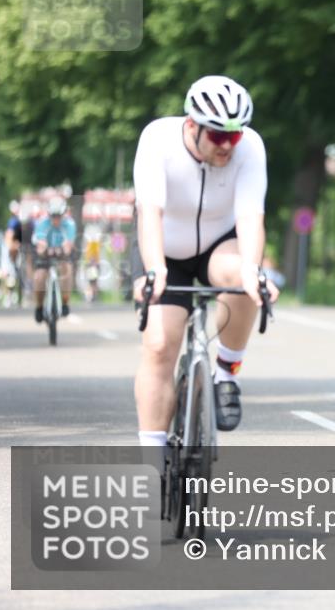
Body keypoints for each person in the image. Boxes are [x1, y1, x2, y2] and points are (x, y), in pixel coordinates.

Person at [130, 74, 278, 452]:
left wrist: (253, 270)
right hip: (163, 247)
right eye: (218, 135)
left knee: (244, 276)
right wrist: (155, 270)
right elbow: (151, 212)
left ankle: (228, 371)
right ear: (192, 125)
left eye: (236, 134)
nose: (228, 144)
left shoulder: (251, 148)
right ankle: (153, 455)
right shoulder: (158, 140)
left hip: (218, 244)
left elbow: (249, 217)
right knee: (161, 343)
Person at [32, 197, 77, 321]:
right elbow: (40, 245)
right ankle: (39, 307)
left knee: (67, 269)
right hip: (45, 253)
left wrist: (62, 250)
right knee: (39, 276)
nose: (56, 219)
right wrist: (45, 249)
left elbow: (68, 245)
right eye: (53, 216)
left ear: (63, 214)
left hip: (61, 253)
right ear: (49, 214)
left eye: (59, 216)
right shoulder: (42, 223)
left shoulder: (69, 224)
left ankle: (65, 302)